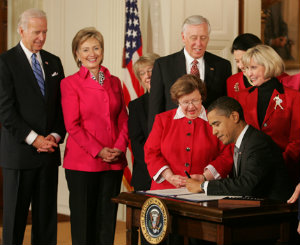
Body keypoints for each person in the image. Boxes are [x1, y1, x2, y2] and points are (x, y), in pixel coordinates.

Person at [0, 8, 66, 245]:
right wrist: (35, 139)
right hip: (19, 156)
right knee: (15, 222)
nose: (42, 37)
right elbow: (6, 112)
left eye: (45, 32)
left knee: (46, 222)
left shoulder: (54, 61)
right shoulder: (5, 62)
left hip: (48, 154)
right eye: (36, 32)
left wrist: (55, 136)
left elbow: (61, 107)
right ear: (21, 30)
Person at [60, 27, 128, 245]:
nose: (92, 53)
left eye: (96, 48)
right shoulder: (69, 83)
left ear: (102, 50)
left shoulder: (115, 81)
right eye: (85, 49)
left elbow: (123, 119)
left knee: (107, 221)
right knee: (84, 222)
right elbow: (73, 125)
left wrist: (118, 147)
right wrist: (99, 150)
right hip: (83, 163)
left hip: (113, 161)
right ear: (77, 54)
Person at [186, 96, 292, 201]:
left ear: (234, 117)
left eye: (217, 124)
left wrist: (203, 186)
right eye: (212, 126)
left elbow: (247, 185)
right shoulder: (245, 141)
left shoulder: (257, 142)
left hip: (273, 212)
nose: (214, 132)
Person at [144, 75, 233, 190]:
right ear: (177, 101)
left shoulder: (216, 120)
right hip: (165, 189)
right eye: (185, 102)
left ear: (202, 97)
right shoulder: (163, 120)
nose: (191, 107)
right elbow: (151, 153)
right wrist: (169, 176)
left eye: (195, 100)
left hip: (203, 189)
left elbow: (227, 155)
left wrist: (204, 177)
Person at [148, 15, 232, 131]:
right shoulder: (163, 65)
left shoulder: (222, 66)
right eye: (194, 38)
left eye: (203, 38)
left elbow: (225, 107)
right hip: (174, 134)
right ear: (183, 37)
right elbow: (155, 109)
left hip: (209, 136)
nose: (199, 43)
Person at [236, 44, 300, 185]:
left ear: (269, 65)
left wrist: (278, 164)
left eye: (253, 67)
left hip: (283, 175)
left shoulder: (294, 97)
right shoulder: (241, 97)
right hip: (248, 176)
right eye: (246, 69)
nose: (249, 74)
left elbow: (297, 141)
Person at [129, 53, 160, 191]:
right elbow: (137, 143)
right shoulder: (136, 106)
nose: (147, 75)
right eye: (142, 73)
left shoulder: (175, 102)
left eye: (150, 70)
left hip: (174, 175)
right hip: (145, 174)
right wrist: (157, 168)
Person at [226, 33, 262, 98]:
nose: (240, 66)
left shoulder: (280, 80)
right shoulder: (232, 81)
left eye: (244, 60)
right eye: (237, 61)